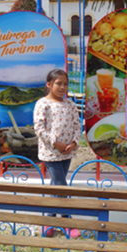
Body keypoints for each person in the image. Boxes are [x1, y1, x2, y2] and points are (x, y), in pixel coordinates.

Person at [33, 68, 81, 239]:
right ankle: (67, 222)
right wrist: (56, 144)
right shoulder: (43, 104)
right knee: (61, 184)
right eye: (58, 83)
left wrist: (74, 143)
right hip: (51, 153)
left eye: (65, 84)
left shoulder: (70, 105)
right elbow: (39, 128)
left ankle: (49, 220)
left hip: (67, 152)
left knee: (56, 186)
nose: (62, 87)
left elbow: (77, 125)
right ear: (49, 84)